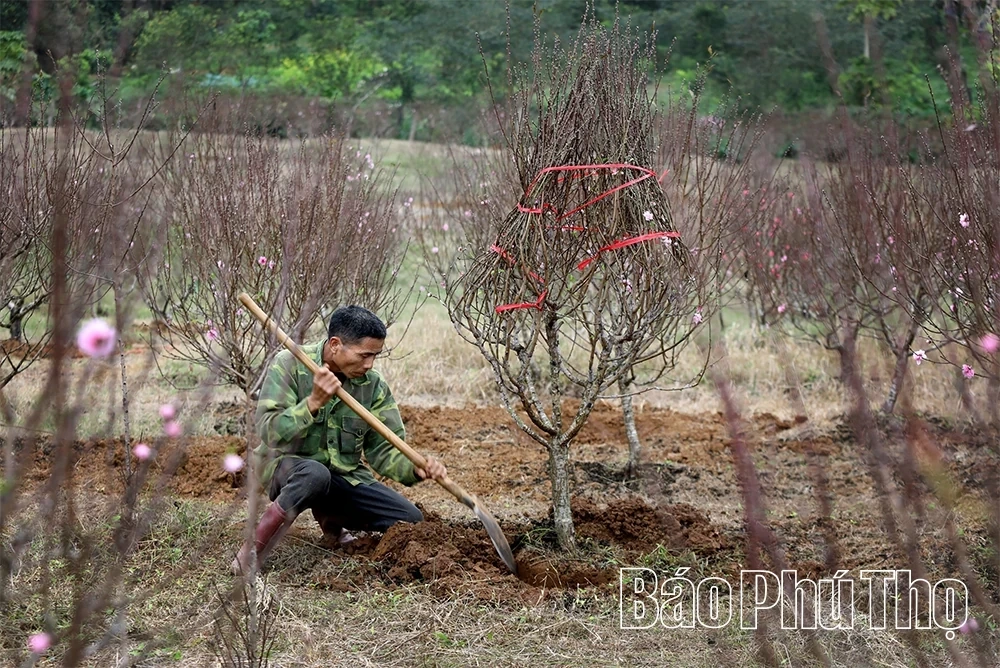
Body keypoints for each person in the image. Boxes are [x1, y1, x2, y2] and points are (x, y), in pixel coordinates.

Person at [232, 305, 446, 574]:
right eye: (364, 355)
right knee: (314, 474)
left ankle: (330, 516)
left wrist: (414, 467)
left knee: (410, 519)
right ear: (335, 345)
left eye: (375, 357)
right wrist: (312, 403)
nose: (369, 365)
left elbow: (383, 450)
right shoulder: (289, 364)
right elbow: (268, 430)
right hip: (284, 468)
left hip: (341, 476)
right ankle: (252, 550)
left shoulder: (372, 385)